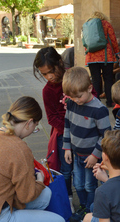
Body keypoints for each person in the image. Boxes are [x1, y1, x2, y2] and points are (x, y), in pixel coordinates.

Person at [62, 66, 111, 222]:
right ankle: (83, 206)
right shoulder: (71, 103)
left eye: (79, 96)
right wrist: (67, 147)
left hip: (91, 156)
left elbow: (106, 135)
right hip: (77, 153)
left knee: (90, 185)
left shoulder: (99, 110)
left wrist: (94, 156)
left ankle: (90, 210)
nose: (76, 100)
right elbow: (67, 125)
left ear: (90, 88)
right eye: (71, 97)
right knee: (78, 183)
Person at [33, 47, 73, 203]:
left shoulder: (73, 78)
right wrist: (68, 132)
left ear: (60, 63)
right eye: (44, 74)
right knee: (66, 170)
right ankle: (67, 198)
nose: (49, 76)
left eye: (51, 70)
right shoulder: (47, 91)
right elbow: (52, 118)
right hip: (63, 135)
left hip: (85, 130)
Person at [83, 11, 119, 109]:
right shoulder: (106, 24)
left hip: (91, 57)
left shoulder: (87, 25)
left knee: (95, 80)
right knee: (108, 79)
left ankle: (96, 101)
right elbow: (113, 40)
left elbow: (85, 42)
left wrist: (87, 53)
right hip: (106, 57)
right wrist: (116, 52)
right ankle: (109, 101)